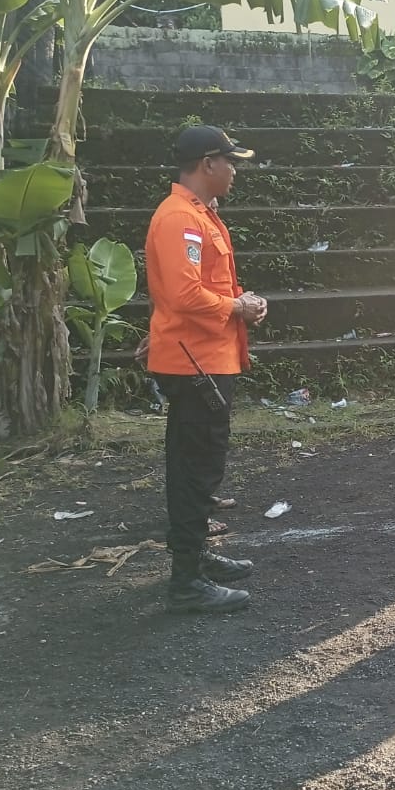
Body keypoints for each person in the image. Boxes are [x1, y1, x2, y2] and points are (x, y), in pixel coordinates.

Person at [145, 125, 268, 615]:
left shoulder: (196, 214)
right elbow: (184, 294)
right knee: (195, 468)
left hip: (205, 357)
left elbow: (196, 288)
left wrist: (240, 303)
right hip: (195, 362)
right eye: (230, 161)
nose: (235, 170)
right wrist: (238, 306)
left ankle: (196, 559)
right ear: (208, 164)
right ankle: (187, 582)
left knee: (199, 463)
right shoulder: (181, 218)